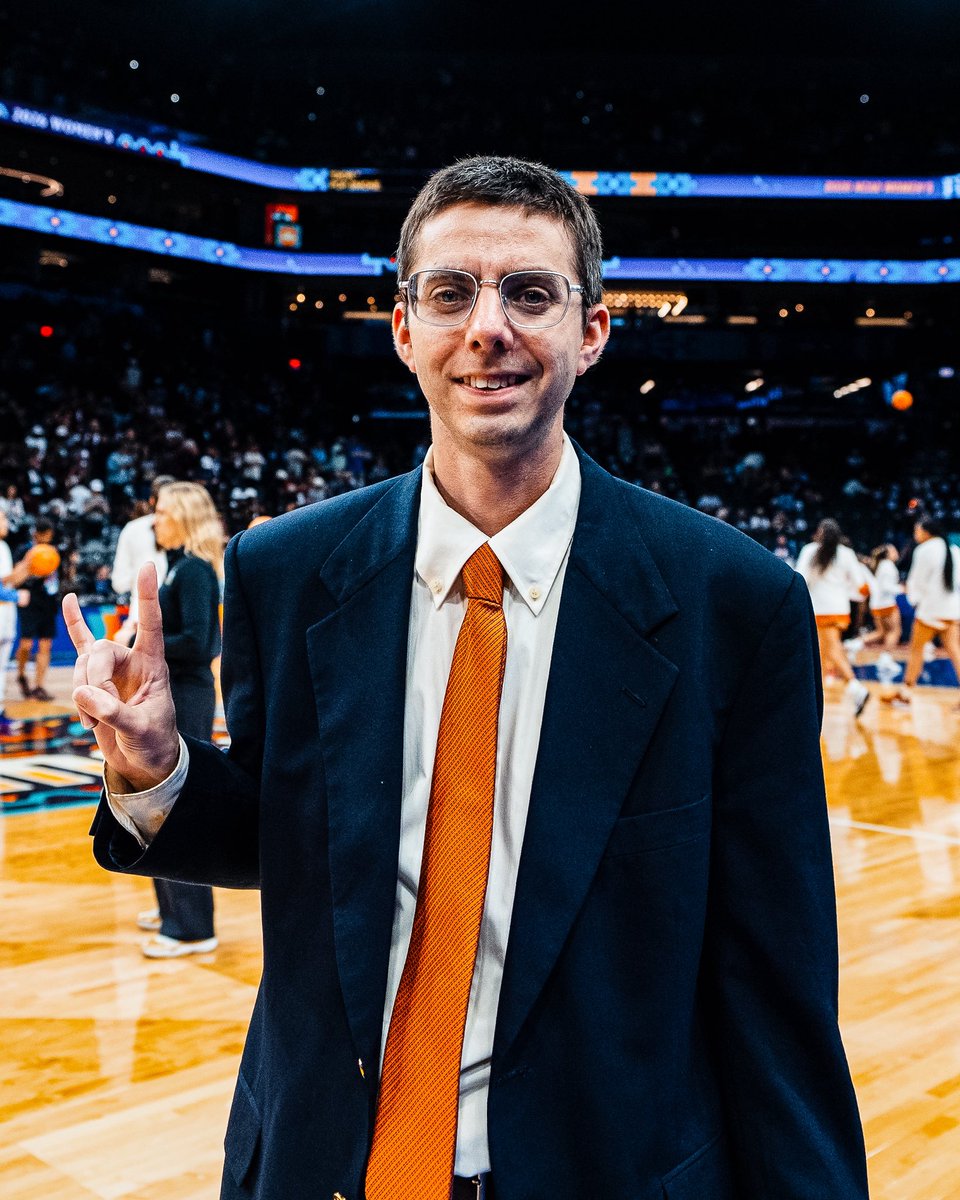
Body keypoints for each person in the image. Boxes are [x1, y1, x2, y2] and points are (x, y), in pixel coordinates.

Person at [63, 156, 868, 1199]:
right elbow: (293, 844)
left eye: (530, 292)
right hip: (327, 1162)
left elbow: (775, 982)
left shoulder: (735, 603)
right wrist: (162, 771)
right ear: (405, 330)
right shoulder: (288, 572)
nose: (489, 326)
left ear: (592, 331)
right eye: (451, 292)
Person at [137, 481, 225, 957]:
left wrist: (141, 648)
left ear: (185, 517)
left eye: (164, 512)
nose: (156, 520)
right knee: (154, 801)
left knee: (175, 805)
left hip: (185, 697)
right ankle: (170, 903)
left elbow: (200, 642)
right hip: (171, 692)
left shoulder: (193, 570)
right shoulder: (177, 568)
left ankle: (192, 925)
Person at [795, 519, 871, 717]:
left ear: (819, 533)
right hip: (839, 609)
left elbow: (801, 578)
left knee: (830, 650)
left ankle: (856, 688)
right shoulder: (846, 553)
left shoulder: (810, 551)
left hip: (818, 608)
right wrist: (853, 593)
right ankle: (815, 699)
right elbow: (860, 586)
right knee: (823, 652)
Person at [886, 513, 960, 708]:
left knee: (916, 650)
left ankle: (906, 693)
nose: (915, 534)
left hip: (930, 609)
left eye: (917, 530)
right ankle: (905, 692)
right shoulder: (953, 549)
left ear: (926, 532)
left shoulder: (925, 549)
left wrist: (913, 599)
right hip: (951, 610)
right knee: (955, 652)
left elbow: (916, 581)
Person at [110, 474, 175, 646]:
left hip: (141, 617)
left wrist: (140, 576)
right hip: (180, 619)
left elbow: (119, 583)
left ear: (152, 501)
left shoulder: (132, 529)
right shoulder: (192, 532)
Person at [13, 517, 61, 701]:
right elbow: (15, 579)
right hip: (30, 601)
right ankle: (21, 674)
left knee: (45, 645)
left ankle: (39, 686)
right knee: (26, 644)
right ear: (36, 534)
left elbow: (60, 576)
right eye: (44, 535)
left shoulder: (54, 552)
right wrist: (30, 565)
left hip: (48, 602)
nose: (46, 538)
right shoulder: (25, 551)